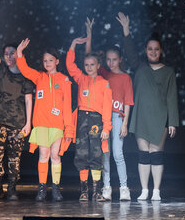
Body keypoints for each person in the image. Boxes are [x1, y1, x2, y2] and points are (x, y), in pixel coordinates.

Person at [119, 13, 179, 201]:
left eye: (156, 49)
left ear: (161, 51)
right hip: (141, 118)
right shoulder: (140, 67)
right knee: (144, 155)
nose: (153, 52)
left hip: (160, 119)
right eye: (150, 49)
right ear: (146, 50)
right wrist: (126, 30)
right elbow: (130, 53)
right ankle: (145, 190)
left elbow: (172, 97)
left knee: (156, 154)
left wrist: (172, 122)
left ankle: (156, 191)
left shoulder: (168, 72)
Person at [15, 38, 73, 201]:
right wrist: (19, 53)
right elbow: (24, 69)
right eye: (45, 60)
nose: (47, 63)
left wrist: (69, 128)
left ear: (57, 61)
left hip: (57, 125)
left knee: (55, 156)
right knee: (43, 155)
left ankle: (55, 188)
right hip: (41, 124)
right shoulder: (39, 77)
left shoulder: (64, 80)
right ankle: (42, 188)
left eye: (51, 60)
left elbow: (67, 106)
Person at [0, 16, 33, 200]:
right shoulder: (2, 69)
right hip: (1, 122)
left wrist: (28, 123)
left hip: (18, 123)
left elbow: (28, 100)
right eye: (7, 54)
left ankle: (12, 188)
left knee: (14, 158)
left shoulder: (25, 76)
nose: (9, 56)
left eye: (12, 53)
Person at [87, 15, 133, 202]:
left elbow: (128, 102)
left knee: (118, 154)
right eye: (108, 59)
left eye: (114, 59)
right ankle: (106, 187)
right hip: (103, 118)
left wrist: (125, 124)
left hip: (117, 118)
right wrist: (89, 34)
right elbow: (89, 57)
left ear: (120, 60)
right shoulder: (103, 73)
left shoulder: (126, 77)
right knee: (105, 154)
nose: (111, 62)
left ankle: (124, 188)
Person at [65, 36, 112, 201]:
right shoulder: (81, 78)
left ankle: (96, 191)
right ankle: (84, 191)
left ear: (98, 66)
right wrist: (72, 45)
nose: (89, 67)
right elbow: (70, 66)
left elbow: (107, 107)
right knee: (82, 154)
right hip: (82, 120)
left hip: (96, 120)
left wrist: (106, 128)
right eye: (86, 65)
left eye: (92, 64)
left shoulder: (104, 83)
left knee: (96, 154)